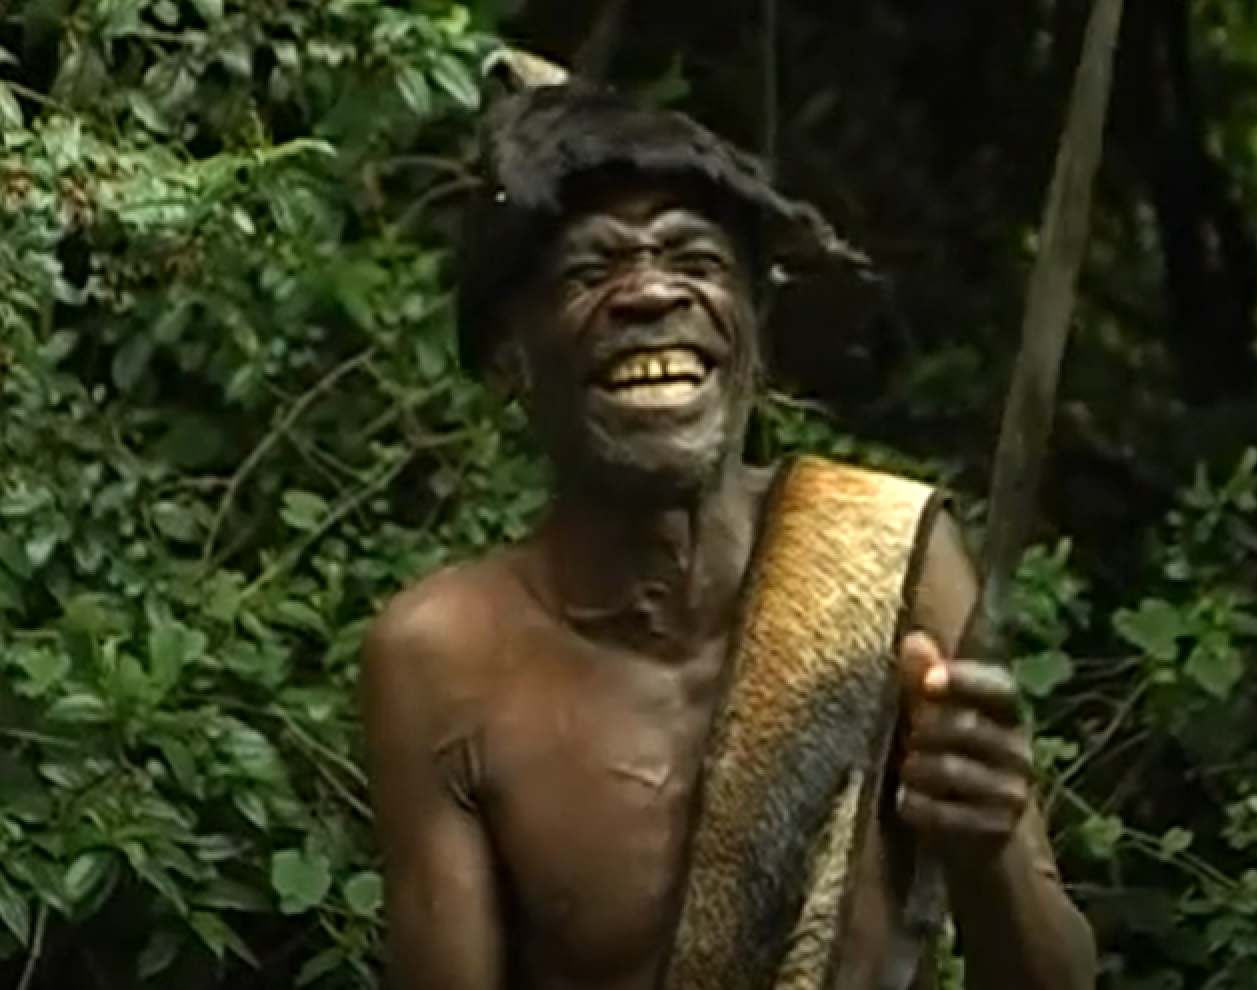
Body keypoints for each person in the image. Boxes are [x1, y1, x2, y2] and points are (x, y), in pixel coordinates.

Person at [360, 75, 1096, 990]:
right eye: (591, 271)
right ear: (511, 351)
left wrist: (988, 849)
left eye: (695, 261)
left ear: (752, 328)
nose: (651, 295)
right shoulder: (443, 657)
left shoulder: (891, 560)